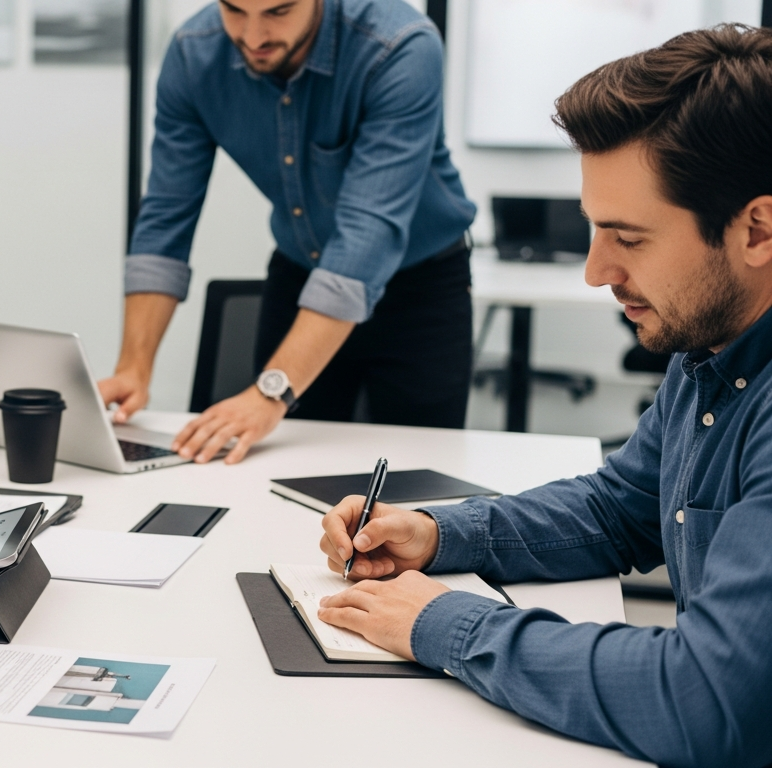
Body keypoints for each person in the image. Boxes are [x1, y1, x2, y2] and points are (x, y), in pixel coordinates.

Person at [314, 26, 772, 768]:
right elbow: (615, 508)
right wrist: (436, 534)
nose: (596, 272)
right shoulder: (712, 345)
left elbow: (707, 701)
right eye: (596, 231)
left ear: (757, 229)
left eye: (629, 238)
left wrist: (446, 623)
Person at [98, 0, 476, 465]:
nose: (253, 37)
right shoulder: (194, 55)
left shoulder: (399, 46)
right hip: (300, 273)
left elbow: (367, 235)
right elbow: (165, 216)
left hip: (419, 291)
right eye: (235, 11)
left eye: (277, 12)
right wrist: (134, 369)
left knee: (418, 481)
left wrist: (271, 391)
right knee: (272, 469)